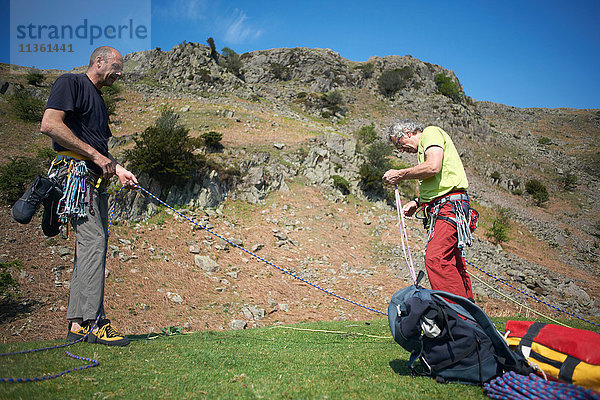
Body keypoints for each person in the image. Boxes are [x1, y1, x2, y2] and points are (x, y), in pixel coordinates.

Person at [40, 46, 138, 346]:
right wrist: (96, 157)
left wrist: (118, 168)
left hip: (94, 179)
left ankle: (77, 324)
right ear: (99, 62)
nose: (120, 73)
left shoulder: (98, 99)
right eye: (116, 66)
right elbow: (50, 125)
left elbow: (99, 148)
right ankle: (96, 322)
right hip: (77, 177)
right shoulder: (70, 83)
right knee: (94, 244)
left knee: (89, 249)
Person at [382, 120, 475, 301]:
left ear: (408, 133)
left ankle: (456, 314)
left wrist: (400, 174)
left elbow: (433, 167)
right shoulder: (424, 150)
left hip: (448, 208)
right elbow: (440, 180)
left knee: (436, 259)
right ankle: (471, 319)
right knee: (453, 263)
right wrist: (417, 202)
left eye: (399, 145)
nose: (402, 150)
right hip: (446, 207)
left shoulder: (430, 133)